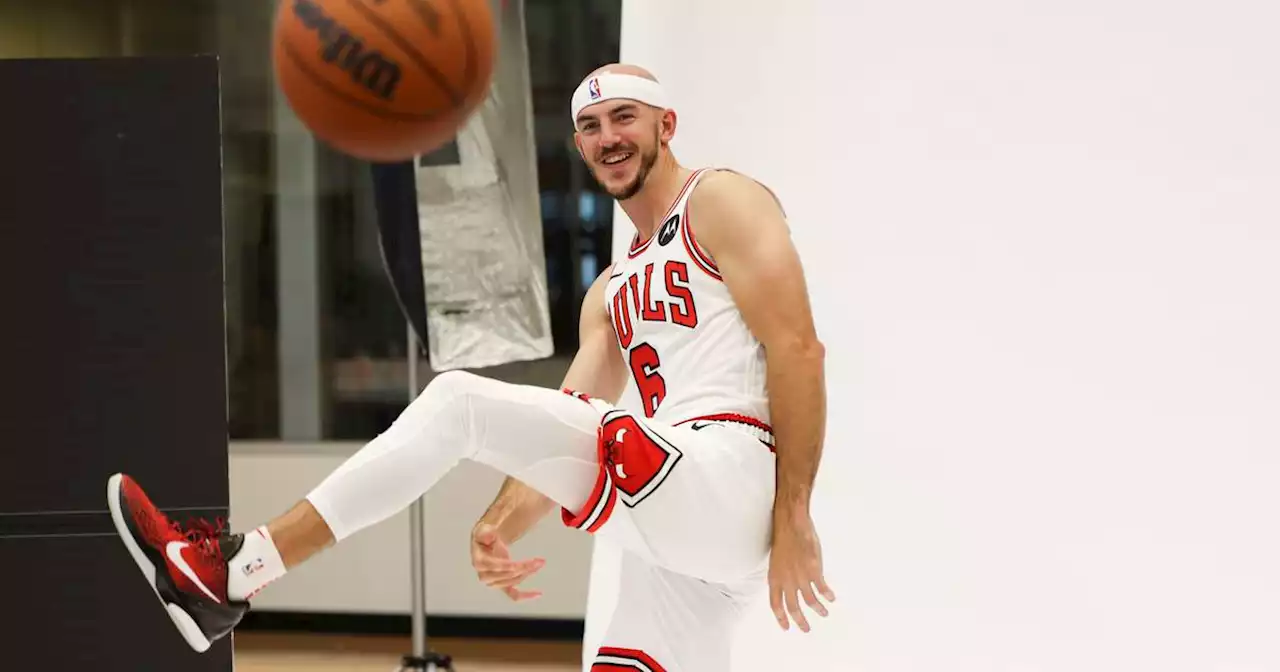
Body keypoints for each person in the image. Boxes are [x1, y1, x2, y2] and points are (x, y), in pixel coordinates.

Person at [106, 63, 833, 671]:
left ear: (665, 125)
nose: (608, 137)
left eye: (624, 117)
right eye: (590, 126)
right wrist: (502, 523)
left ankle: (234, 571)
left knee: (459, 401)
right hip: (678, 518)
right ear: (579, 146)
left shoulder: (721, 200)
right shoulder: (610, 291)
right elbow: (567, 415)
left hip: (732, 477)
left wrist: (794, 511)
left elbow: (799, 349)